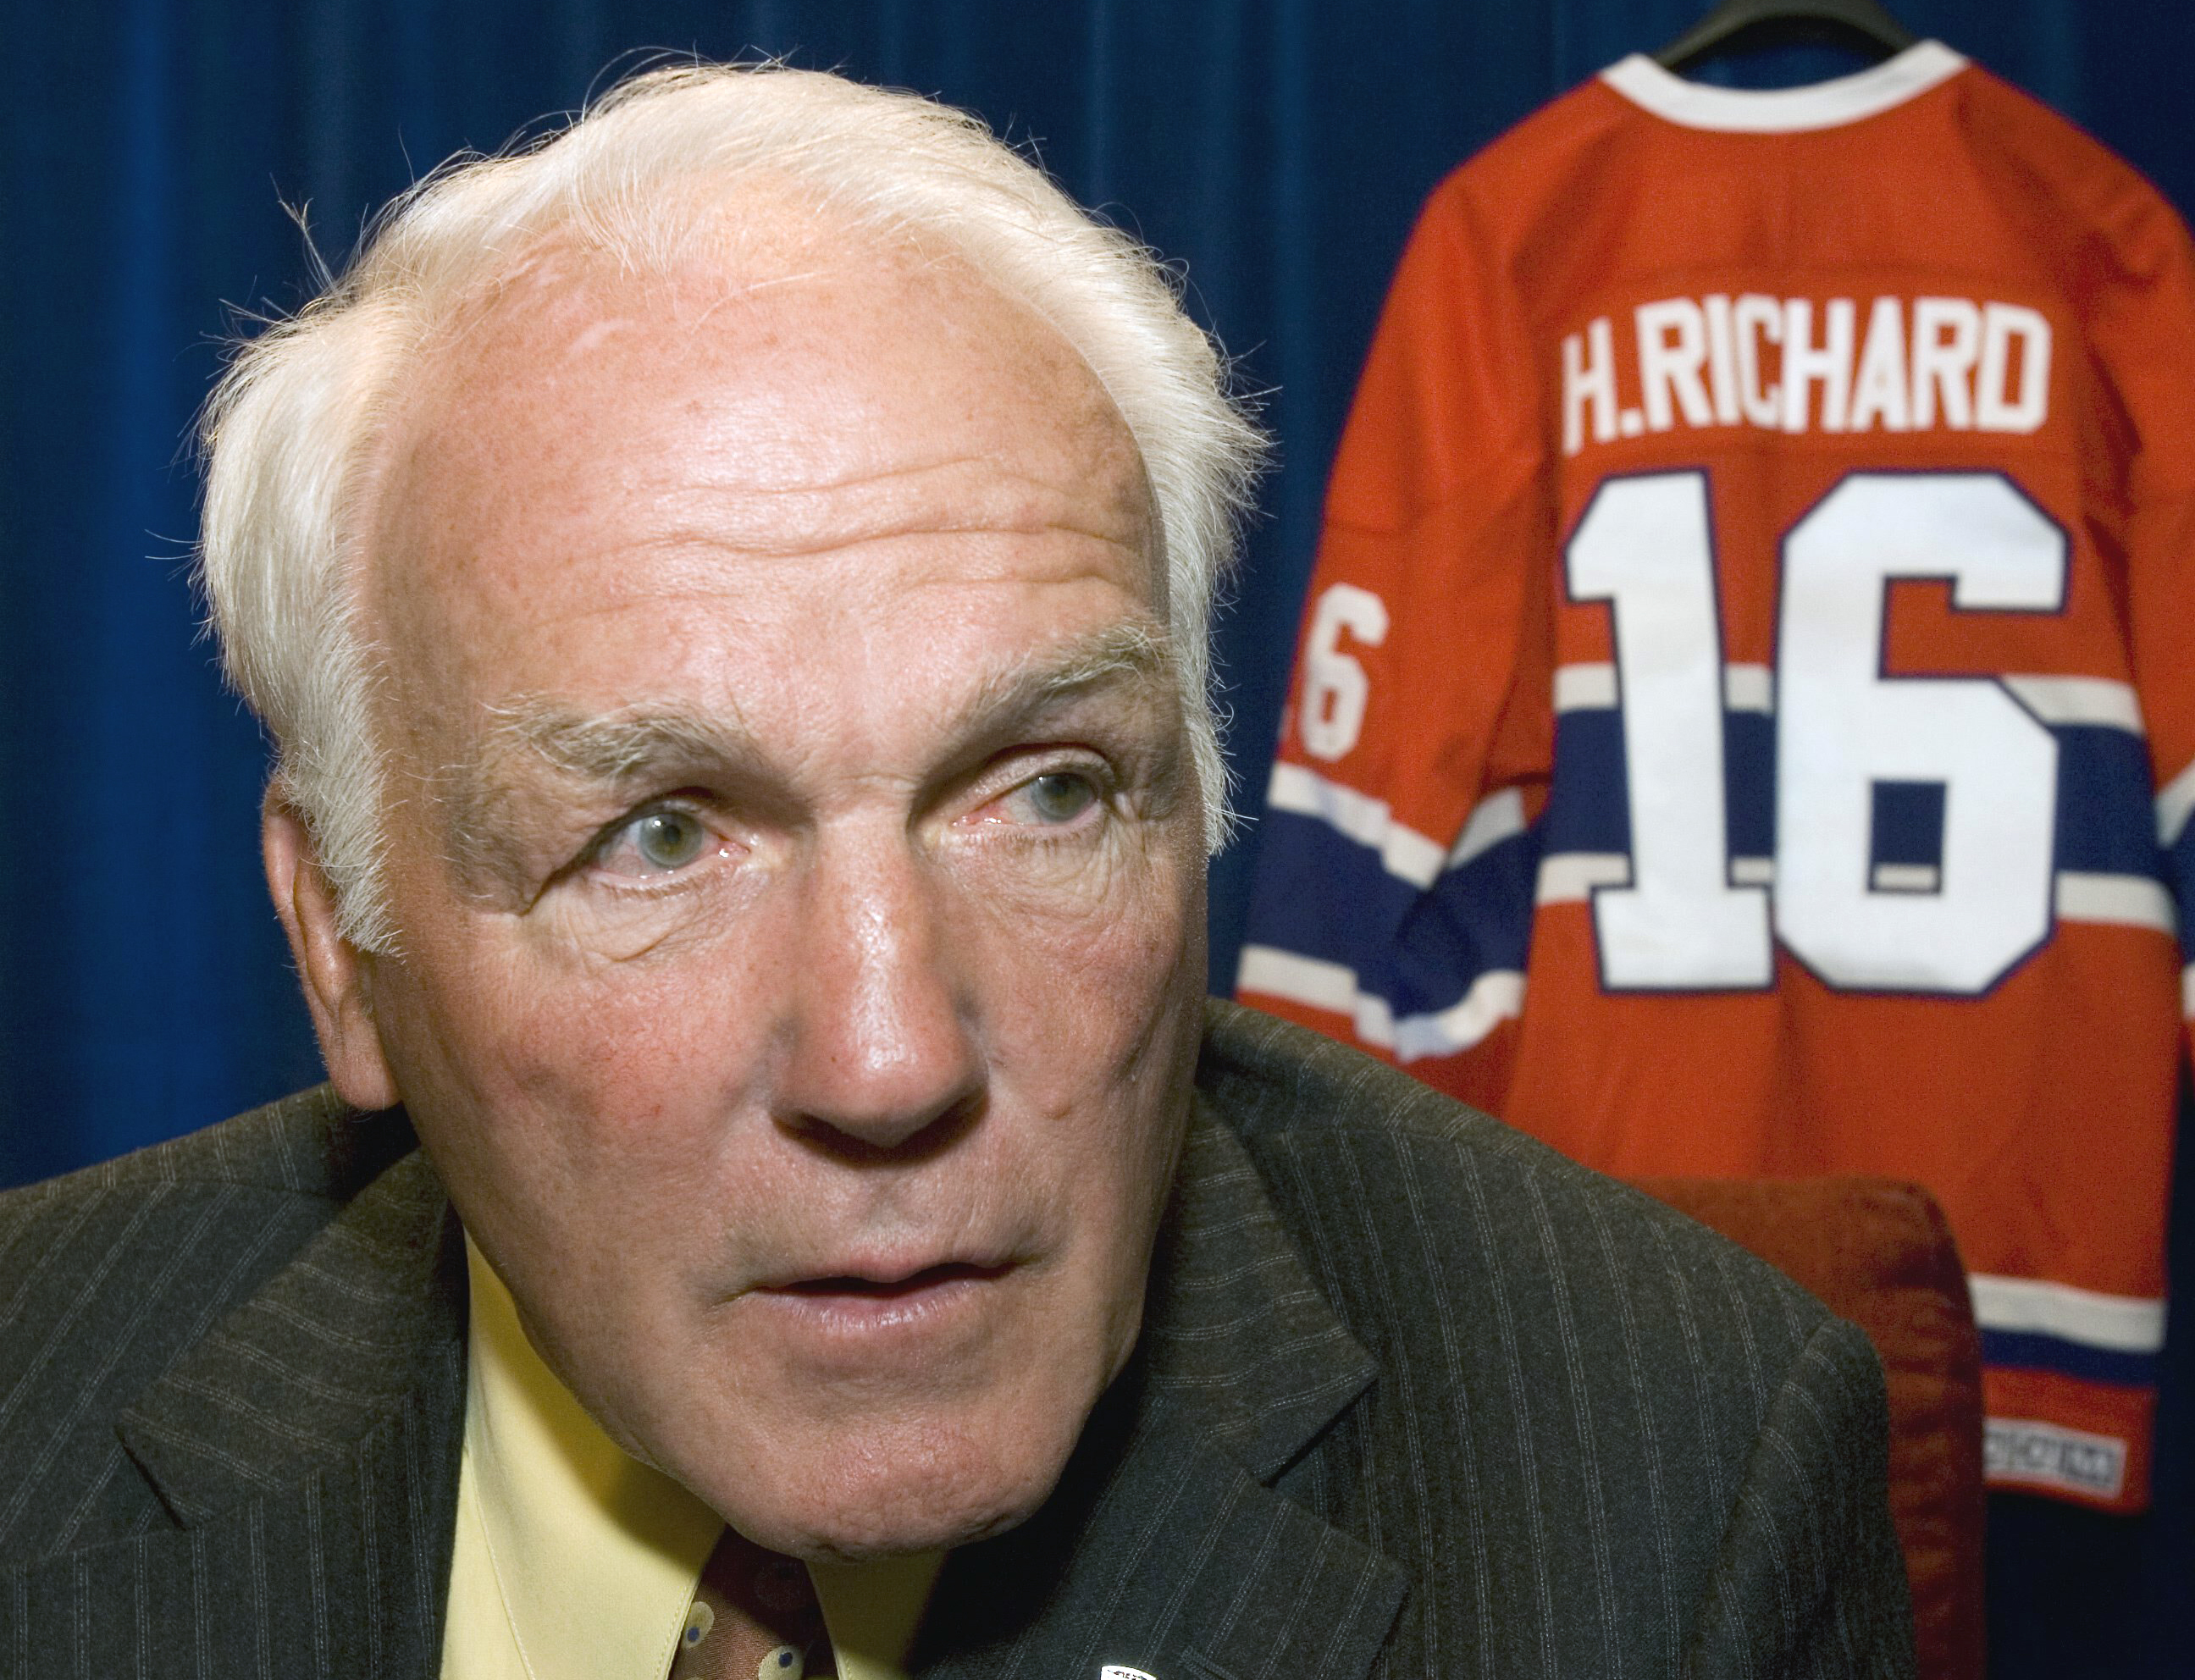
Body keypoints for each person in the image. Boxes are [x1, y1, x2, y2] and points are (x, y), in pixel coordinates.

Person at [0, 64, 1913, 1679]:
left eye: (1048, 793)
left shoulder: (1671, 1500)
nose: (891, 1055)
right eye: (660, 835)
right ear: (341, 943)